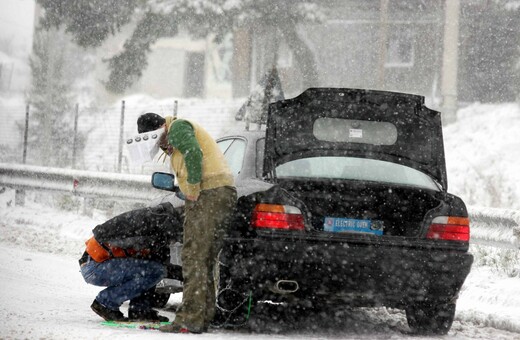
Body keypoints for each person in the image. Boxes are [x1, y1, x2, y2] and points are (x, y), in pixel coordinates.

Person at [137, 112, 237, 334]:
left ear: (162, 127)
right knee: (204, 258)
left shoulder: (178, 128)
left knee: (193, 256)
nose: (158, 144)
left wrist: (191, 187)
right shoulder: (174, 135)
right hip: (219, 192)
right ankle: (201, 317)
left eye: (154, 138)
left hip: (209, 193)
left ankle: (188, 320)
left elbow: (193, 152)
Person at [79, 202, 182, 322]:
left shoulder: (157, 223)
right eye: (175, 239)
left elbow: (157, 263)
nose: (174, 242)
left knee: (154, 268)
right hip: (94, 266)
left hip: (98, 264)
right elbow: (103, 233)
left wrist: (182, 273)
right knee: (154, 270)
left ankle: (140, 310)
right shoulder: (148, 226)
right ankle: (105, 302)